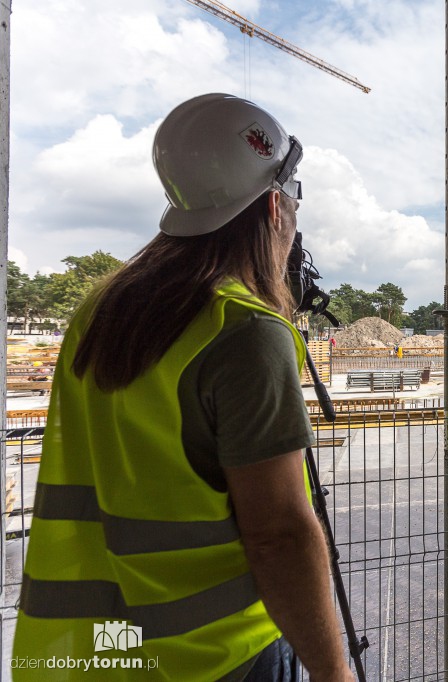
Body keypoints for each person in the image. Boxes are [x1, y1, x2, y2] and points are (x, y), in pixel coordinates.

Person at [13, 94, 353, 682]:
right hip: (215, 655)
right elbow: (279, 535)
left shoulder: (103, 308)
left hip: (97, 651)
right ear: (275, 206)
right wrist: (334, 671)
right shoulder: (242, 329)